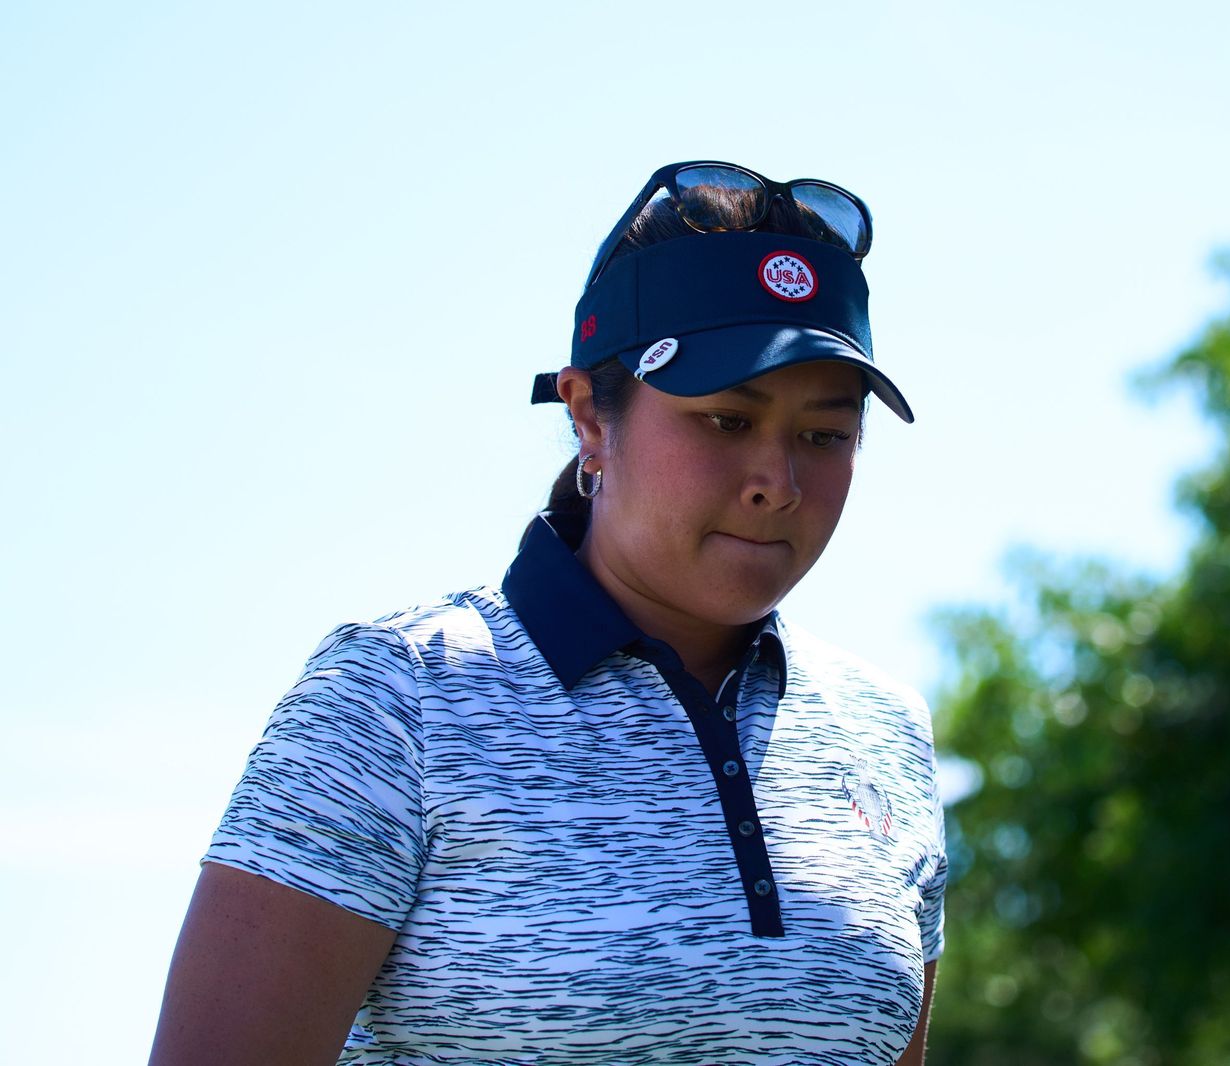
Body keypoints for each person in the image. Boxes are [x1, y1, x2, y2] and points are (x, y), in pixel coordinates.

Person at [149, 161, 946, 1065]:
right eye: (728, 420)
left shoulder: (884, 731)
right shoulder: (394, 702)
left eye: (825, 435)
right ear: (590, 420)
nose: (778, 483)